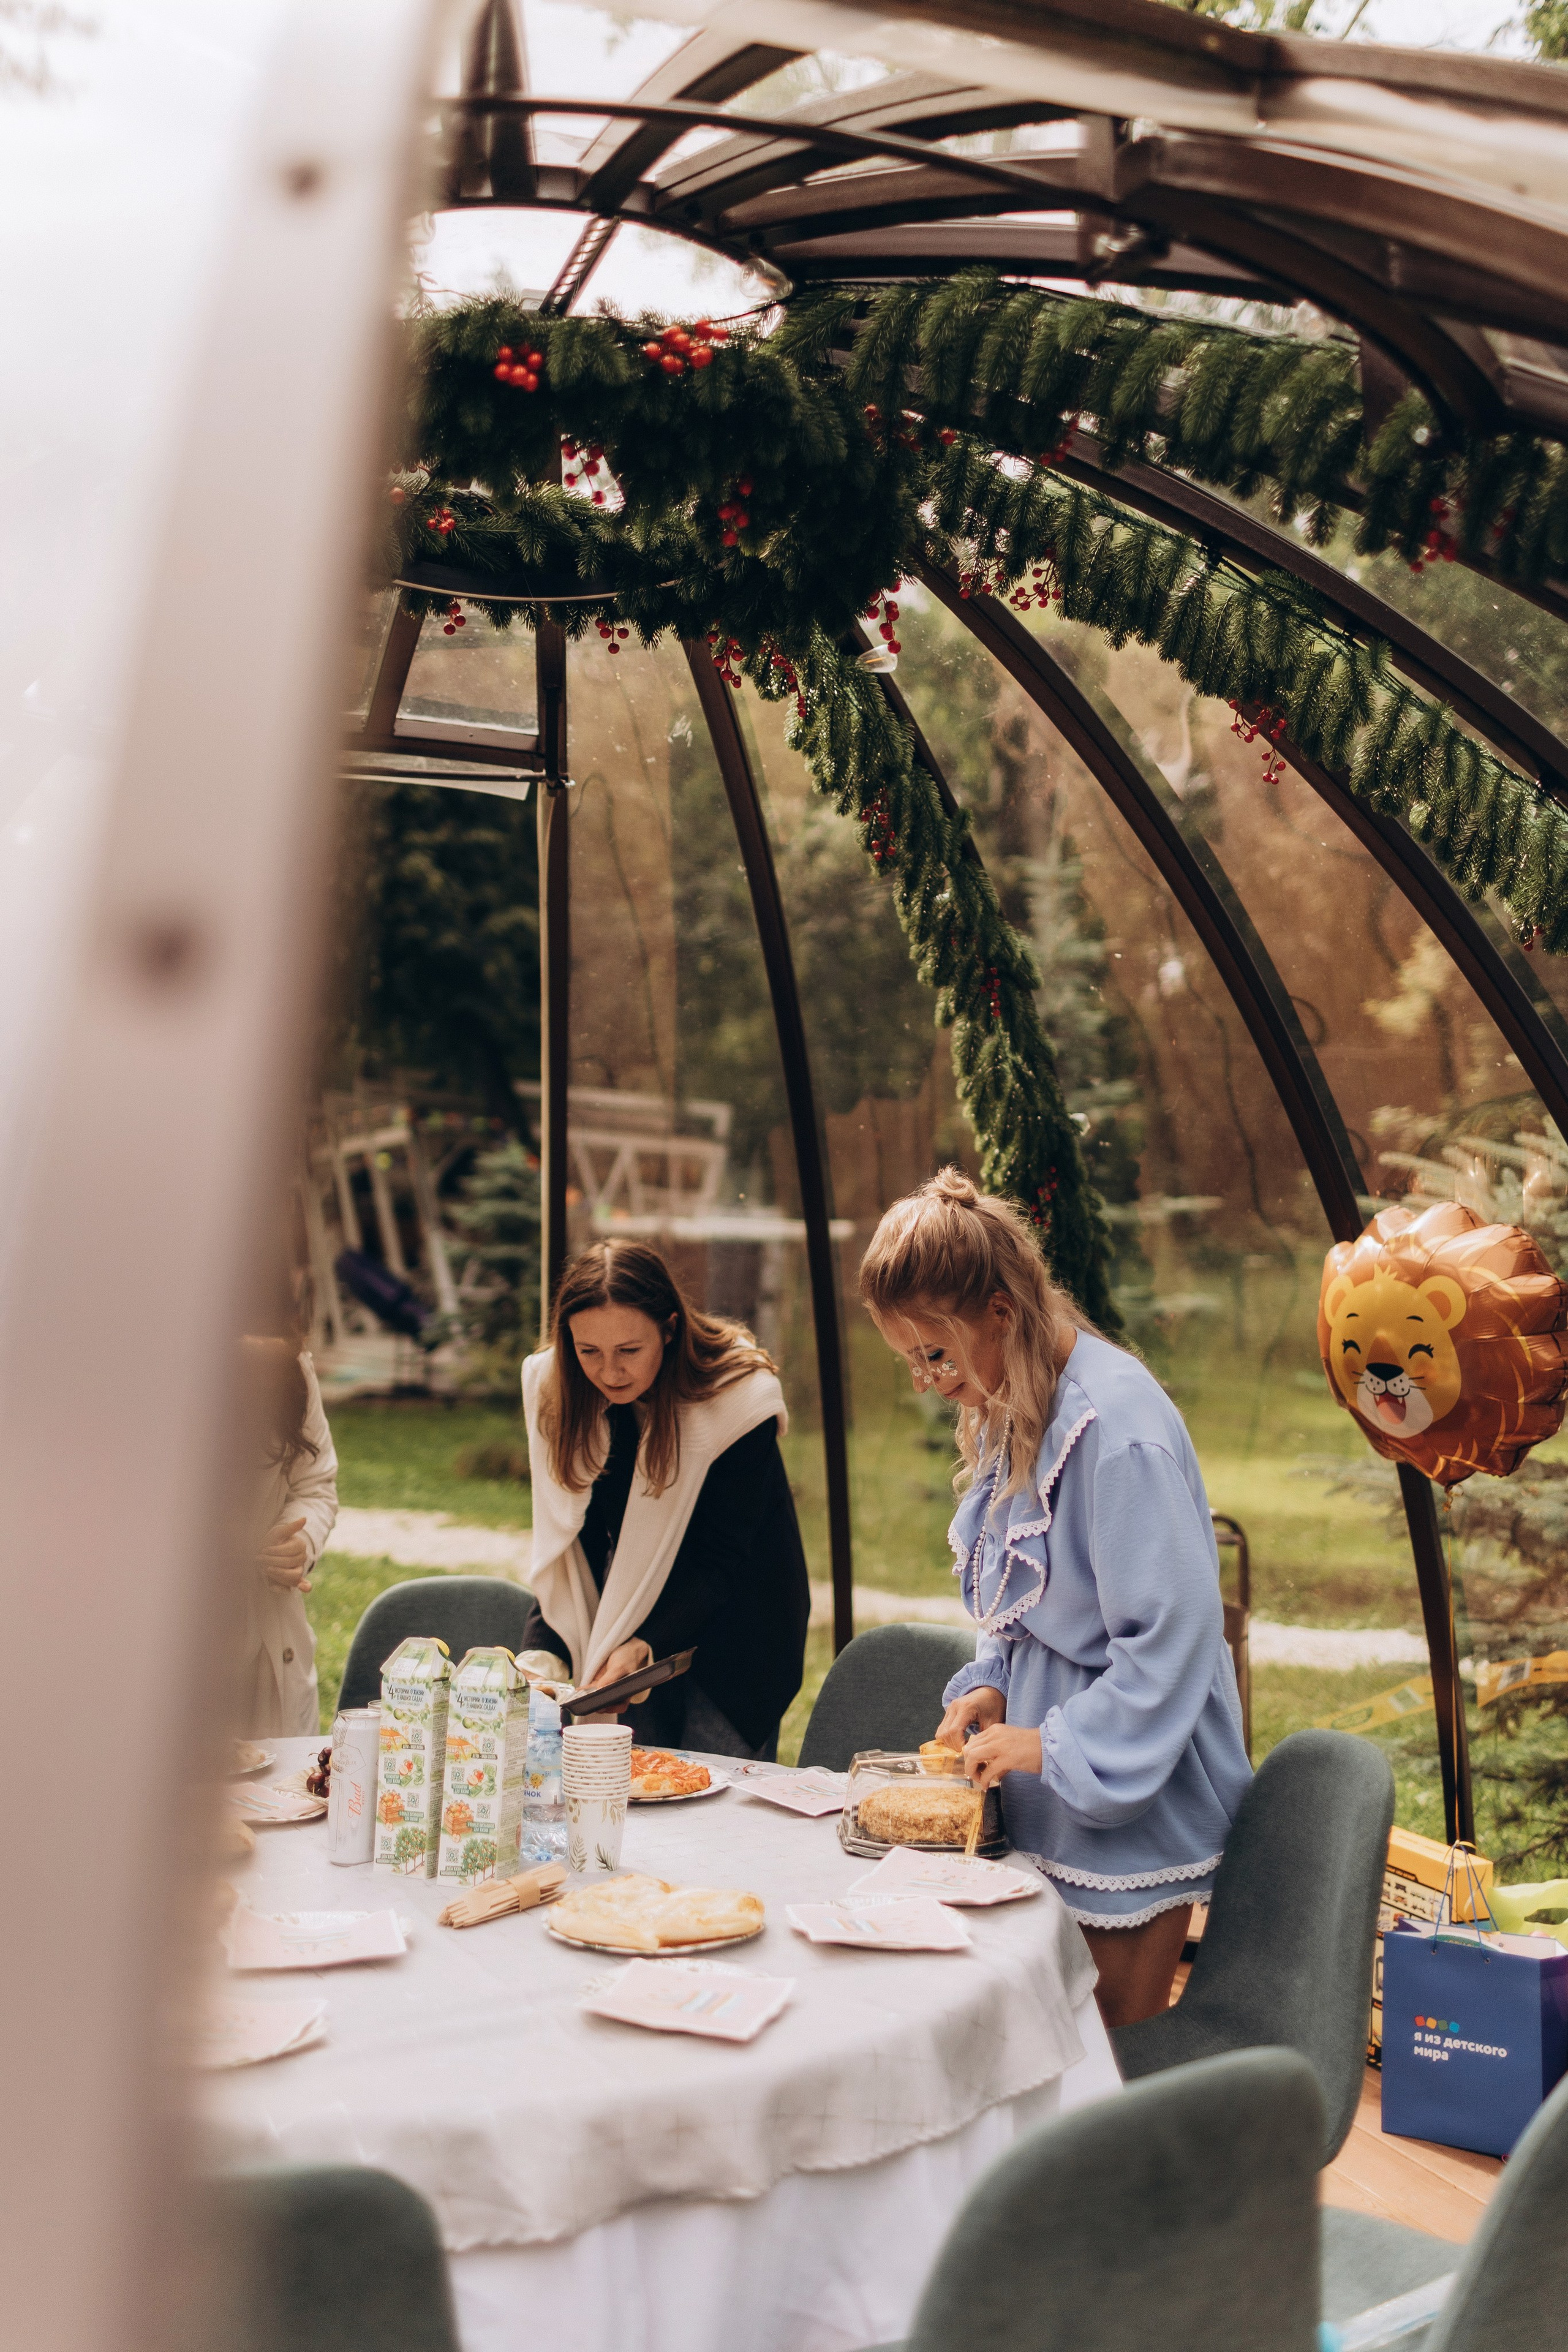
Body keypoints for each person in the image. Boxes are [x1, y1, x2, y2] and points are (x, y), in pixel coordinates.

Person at [860, 1169, 1252, 2028]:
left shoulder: (1115, 1430)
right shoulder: (1023, 1397)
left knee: (1100, 2050)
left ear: (999, 1311)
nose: (927, 1381)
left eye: (936, 1353)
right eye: (910, 1361)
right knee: (1033, 2039)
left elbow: (1173, 1639)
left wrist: (1054, 1742)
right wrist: (994, 1681)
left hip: (1127, 1794)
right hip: (1053, 1782)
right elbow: (1026, 1593)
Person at [520, 1240, 809, 1759]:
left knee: (715, 1801)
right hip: (632, 1612)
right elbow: (571, 1537)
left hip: (742, 1628)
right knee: (629, 1791)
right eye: (589, 1352)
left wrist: (649, 1643)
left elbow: (722, 1558)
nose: (610, 1373)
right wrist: (545, 1647)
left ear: (670, 1329)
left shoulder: (739, 1396)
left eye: (629, 1351)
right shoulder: (556, 1387)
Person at [236, 1333, 339, 1737]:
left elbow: (314, 1485)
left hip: (264, 1639)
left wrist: (296, 1541)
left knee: (282, 1791)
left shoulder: (291, 1364)